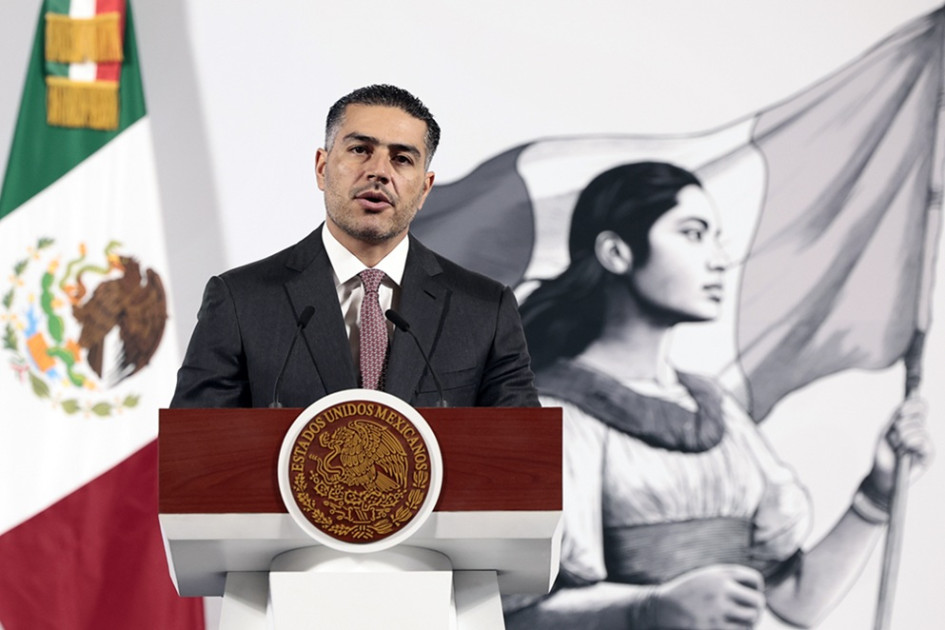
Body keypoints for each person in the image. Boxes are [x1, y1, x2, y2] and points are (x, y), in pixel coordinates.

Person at [504, 162, 932, 628]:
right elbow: (506, 615)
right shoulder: (543, 413)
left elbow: (795, 599)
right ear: (616, 252)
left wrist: (878, 492)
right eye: (692, 233)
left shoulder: (717, 410)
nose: (718, 258)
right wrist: (649, 608)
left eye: (715, 236)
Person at [171, 84, 538, 409]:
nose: (379, 171)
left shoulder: (485, 309)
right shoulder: (240, 301)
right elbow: (195, 458)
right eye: (361, 149)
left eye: (401, 158)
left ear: (425, 188)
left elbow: (523, 461)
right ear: (322, 166)